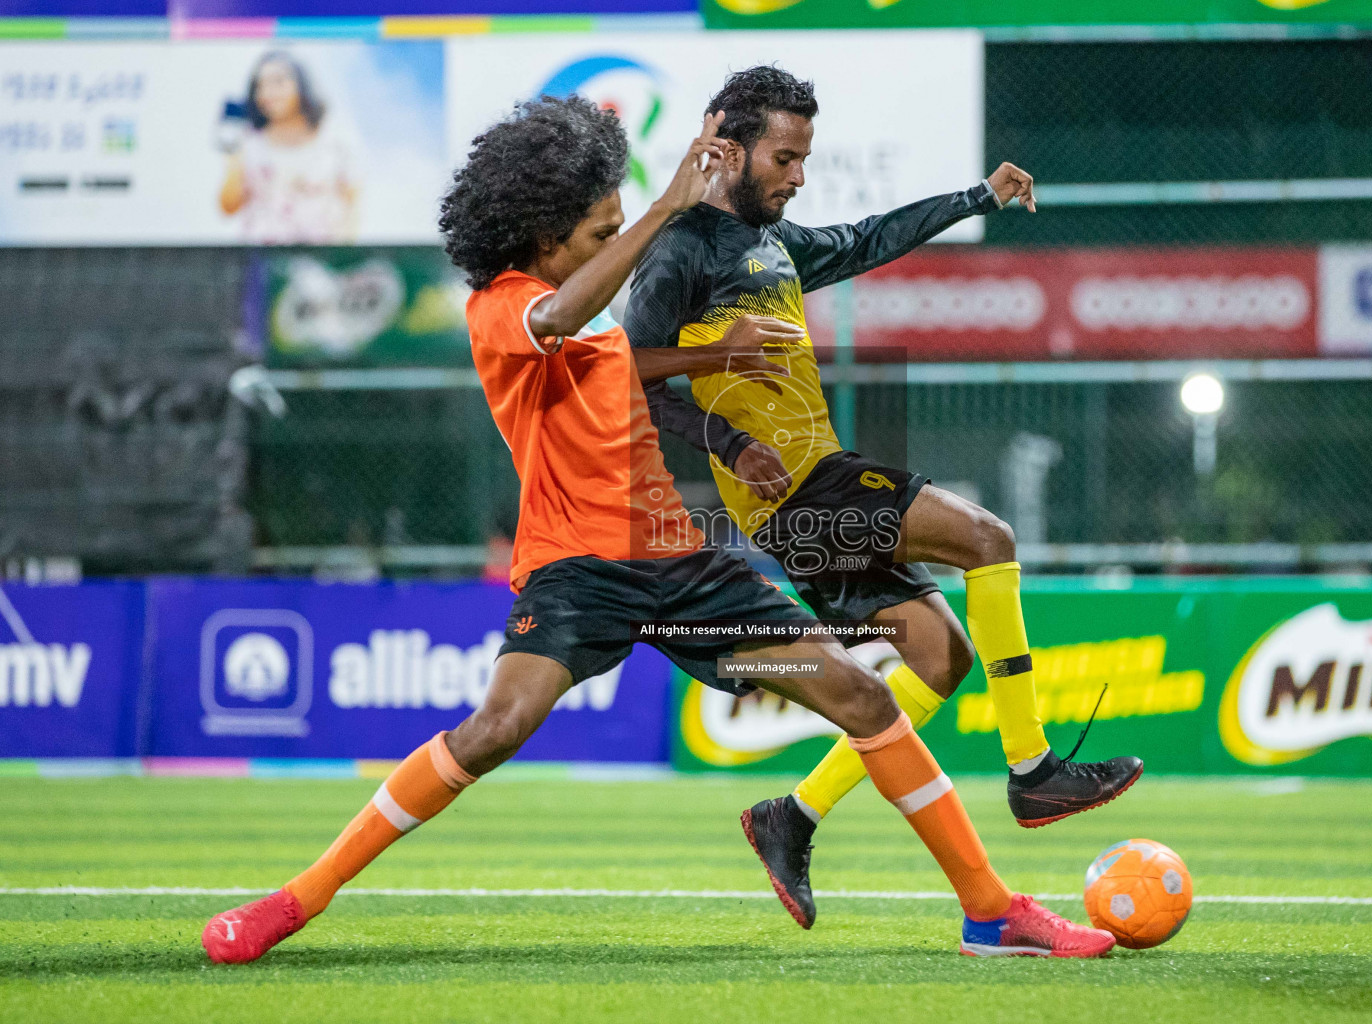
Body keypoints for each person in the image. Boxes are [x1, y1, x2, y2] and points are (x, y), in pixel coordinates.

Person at [198, 96, 1115, 964]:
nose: (620, 246)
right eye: (602, 231)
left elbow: (626, 360)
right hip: (576, 577)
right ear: (545, 237)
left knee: (863, 699)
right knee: (497, 725)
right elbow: (556, 322)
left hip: (687, 580)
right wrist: (674, 201)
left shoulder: (590, 320)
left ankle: (992, 914)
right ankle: (299, 898)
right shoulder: (503, 309)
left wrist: (715, 360)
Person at [623, 67, 1143, 929]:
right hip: (794, 494)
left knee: (942, 659)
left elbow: (870, 236)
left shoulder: (774, 245)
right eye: (784, 158)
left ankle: (790, 816)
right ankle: (1032, 770)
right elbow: (627, 374)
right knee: (987, 537)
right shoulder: (680, 249)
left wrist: (976, 195)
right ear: (733, 148)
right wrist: (729, 438)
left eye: (805, 159)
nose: (798, 176)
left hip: (809, 490)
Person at [218, 52, 356, 244]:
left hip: (322, 257)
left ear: (301, 85)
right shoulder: (250, 142)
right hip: (263, 258)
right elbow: (228, 206)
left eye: (278, 82)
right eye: (260, 85)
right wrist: (232, 155)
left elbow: (352, 200)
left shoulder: (333, 140)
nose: (268, 93)